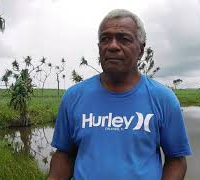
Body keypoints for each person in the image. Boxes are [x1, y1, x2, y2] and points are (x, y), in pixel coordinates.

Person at [48, 9, 192, 180]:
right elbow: (64, 154)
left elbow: (176, 159)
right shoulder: (73, 97)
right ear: (99, 48)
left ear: (141, 50)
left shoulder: (164, 99)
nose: (113, 46)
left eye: (123, 39)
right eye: (105, 39)